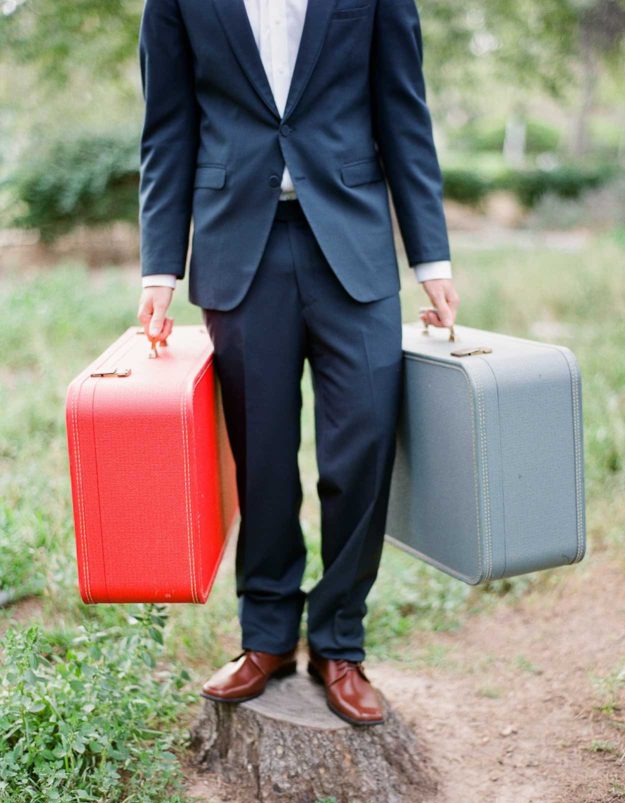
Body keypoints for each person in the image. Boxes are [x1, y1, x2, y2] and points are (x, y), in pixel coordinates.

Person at [136, 0, 460, 726]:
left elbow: (404, 112)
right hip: (237, 248)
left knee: (366, 441)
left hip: (352, 241)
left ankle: (341, 640)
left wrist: (430, 255)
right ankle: (268, 637)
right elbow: (167, 128)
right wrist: (159, 269)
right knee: (263, 458)